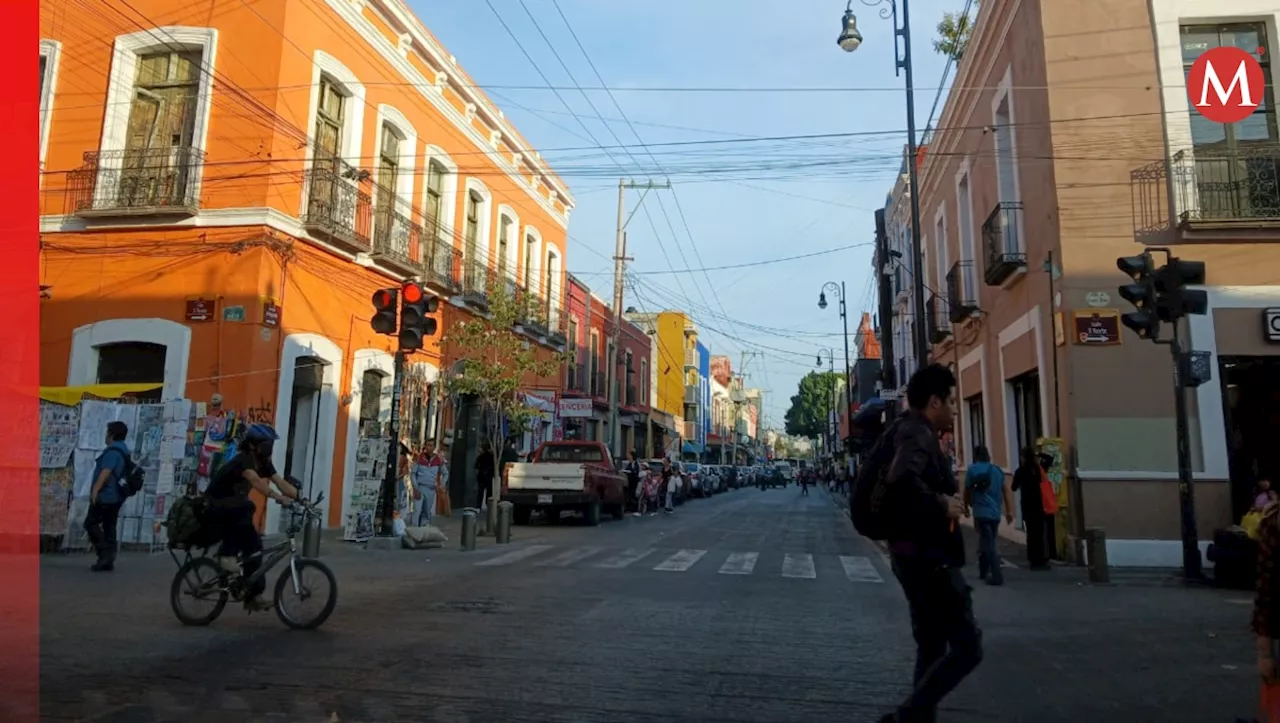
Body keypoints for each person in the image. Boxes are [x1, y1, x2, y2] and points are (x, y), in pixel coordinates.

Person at [877, 364, 981, 723]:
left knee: (933, 646)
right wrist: (941, 503)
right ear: (934, 401)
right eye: (950, 401)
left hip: (915, 555)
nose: (954, 408)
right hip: (928, 560)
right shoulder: (918, 434)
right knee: (967, 648)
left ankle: (915, 720)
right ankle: (907, 717)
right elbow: (901, 479)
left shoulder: (910, 431)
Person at [205, 423, 301, 612]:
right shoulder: (244, 460)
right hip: (214, 506)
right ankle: (227, 555)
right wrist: (278, 498)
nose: (270, 448)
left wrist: (302, 499)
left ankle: (253, 596)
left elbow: (280, 482)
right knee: (248, 506)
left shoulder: (263, 462)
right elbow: (256, 482)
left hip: (234, 510)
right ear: (253, 445)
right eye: (266, 444)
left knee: (255, 548)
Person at [963, 445, 1014, 586]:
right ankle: (984, 570)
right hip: (995, 513)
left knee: (987, 542)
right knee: (988, 540)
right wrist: (1009, 511)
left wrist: (966, 506)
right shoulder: (996, 470)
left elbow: (967, 490)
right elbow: (1006, 491)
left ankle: (994, 573)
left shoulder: (972, 470)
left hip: (980, 512)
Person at [85, 420, 131, 572]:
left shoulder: (112, 452)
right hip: (117, 496)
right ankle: (109, 559)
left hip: (106, 496)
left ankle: (105, 554)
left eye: (107, 432)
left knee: (90, 523)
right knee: (109, 526)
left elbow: (106, 472)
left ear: (111, 434)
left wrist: (95, 491)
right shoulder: (124, 450)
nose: (105, 436)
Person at [1011, 446, 1050, 570]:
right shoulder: (1038, 469)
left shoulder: (1020, 471)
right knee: (1039, 533)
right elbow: (1050, 459)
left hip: (1027, 506)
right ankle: (1042, 560)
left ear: (1023, 457)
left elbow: (1013, 487)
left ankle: (1033, 560)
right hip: (1039, 505)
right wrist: (1039, 454)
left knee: (1031, 534)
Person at [411, 439, 447, 527]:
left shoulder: (438, 460)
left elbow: (445, 473)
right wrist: (415, 488)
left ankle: (423, 529)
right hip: (419, 487)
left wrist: (441, 485)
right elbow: (413, 474)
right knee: (417, 510)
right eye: (427, 445)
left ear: (434, 447)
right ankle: (414, 530)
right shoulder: (419, 458)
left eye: (431, 445)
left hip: (430, 489)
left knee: (426, 511)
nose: (428, 447)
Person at [475, 441, 495, 511]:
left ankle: (478, 506)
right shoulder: (492, 456)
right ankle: (488, 505)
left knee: (480, 492)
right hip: (489, 475)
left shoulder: (481, 456)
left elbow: (476, 466)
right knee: (489, 492)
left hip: (481, 475)